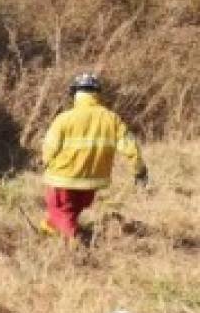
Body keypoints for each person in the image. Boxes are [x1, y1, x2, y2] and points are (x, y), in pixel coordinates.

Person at [40, 73, 148, 241]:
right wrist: (139, 170)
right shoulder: (111, 118)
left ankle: (76, 244)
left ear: (75, 93)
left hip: (63, 178)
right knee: (69, 212)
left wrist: (47, 164)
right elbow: (131, 147)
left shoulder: (65, 118)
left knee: (59, 210)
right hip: (92, 182)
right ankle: (51, 231)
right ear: (97, 94)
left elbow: (49, 148)